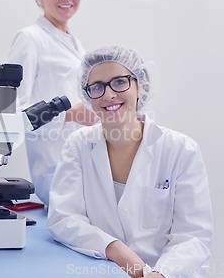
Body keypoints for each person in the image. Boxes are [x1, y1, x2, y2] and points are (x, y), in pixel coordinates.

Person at [47, 46, 213, 278]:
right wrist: (114, 248)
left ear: (140, 87)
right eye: (97, 87)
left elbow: (194, 235)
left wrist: (160, 274)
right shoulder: (78, 145)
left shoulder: (181, 149)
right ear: (87, 97)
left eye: (119, 82)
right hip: (104, 270)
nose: (108, 95)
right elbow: (64, 217)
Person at [8, 0, 98, 205]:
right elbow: (13, 113)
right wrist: (69, 115)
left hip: (82, 158)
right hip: (54, 167)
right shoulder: (30, 38)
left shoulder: (77, 46)